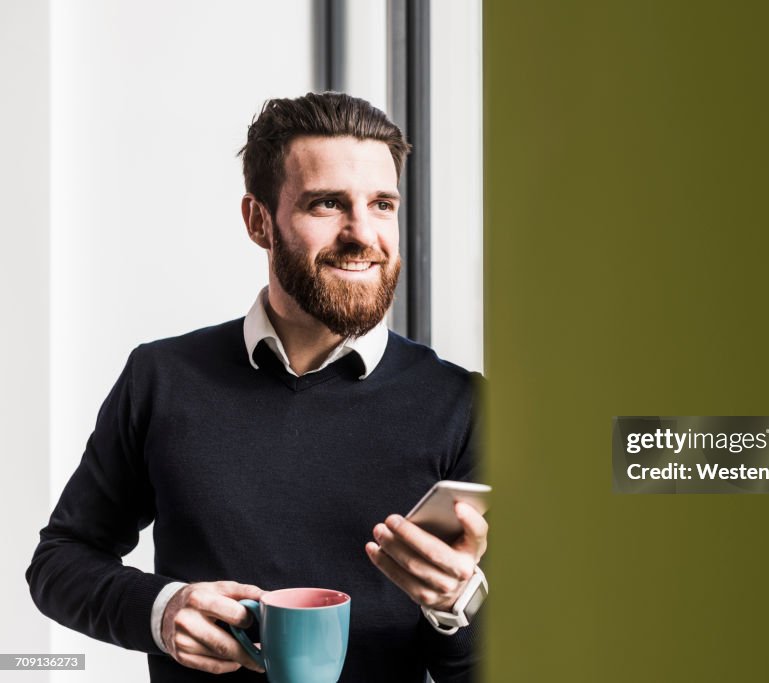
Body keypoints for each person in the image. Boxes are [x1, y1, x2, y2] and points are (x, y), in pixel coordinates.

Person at [26, 92, 487, 682]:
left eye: (381, 204)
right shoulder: (162, 378)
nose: (362, 234)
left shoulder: (464, 405)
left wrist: (456, 606)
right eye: (327, 204)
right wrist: (162, 611)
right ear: (257, 220)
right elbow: (59, 562)